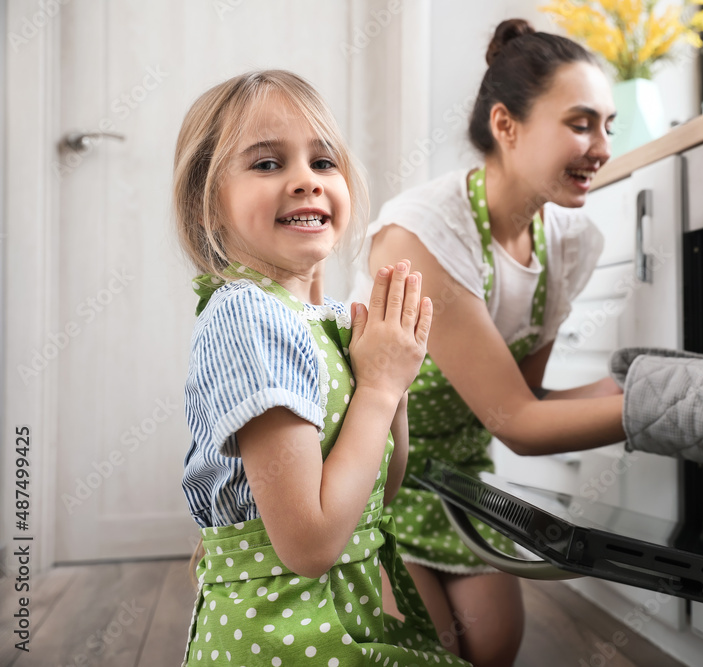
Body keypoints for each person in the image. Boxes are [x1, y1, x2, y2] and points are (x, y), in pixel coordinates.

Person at [350, 18, 624, 667]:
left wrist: (646, 379)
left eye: (610, 125)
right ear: (506, 126)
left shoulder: (571, 241)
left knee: (492, 649)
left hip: (458, 482)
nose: (603, 147)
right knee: (422, 653)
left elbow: (521, 395)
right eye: (582, 123)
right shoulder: (424, 232)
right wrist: (666, 411)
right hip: (369, 478)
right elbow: (522, 424)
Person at [175, 70, 469, 666]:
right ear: (208, 205)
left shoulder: (324, 319)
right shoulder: (248, 317)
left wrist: (395, 381)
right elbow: (310, 543)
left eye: (324, 162)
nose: (305, 180)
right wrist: (379, 389)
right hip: (279, 631)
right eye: (266, 164)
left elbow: (374, 496)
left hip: (337, 611)